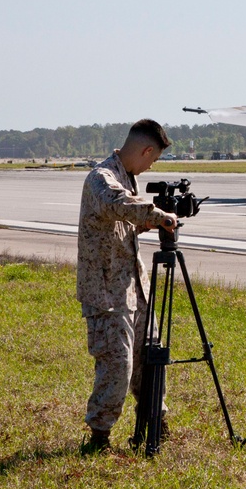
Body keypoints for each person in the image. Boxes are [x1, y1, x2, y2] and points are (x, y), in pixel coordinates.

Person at [76, 118, 177, 452]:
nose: (150, 167)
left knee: (151, 359)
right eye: (153, 159)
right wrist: (155, 213)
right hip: (106, 293)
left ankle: (153, 423)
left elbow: (121, 228)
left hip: (135, 288)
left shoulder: (128, 179)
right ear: (146, 150)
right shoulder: (101, 178)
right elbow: (118, 204)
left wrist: (149, 222)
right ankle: (99, 437)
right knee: (118, 366)